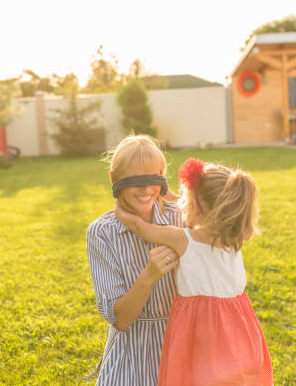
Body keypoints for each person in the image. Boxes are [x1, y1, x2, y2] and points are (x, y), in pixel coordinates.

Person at [114, 157, 273, 386]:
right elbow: (208, 207)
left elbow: (140, 228)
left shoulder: (181, 238)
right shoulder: (233, 237)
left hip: (200, 331)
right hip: (238, 328)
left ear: (196, 205)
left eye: (187, 200)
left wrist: (119, 209)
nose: (182, 204)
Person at [85, 135, 183, 385]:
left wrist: (174, 197)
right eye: (135, 181)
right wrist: (149, 276)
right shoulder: (102, 233)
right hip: (132, 350)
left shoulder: (182, 217)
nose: (145, 189)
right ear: (114, 179)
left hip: (182, 343)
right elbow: (121, 319)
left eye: (153, 178)